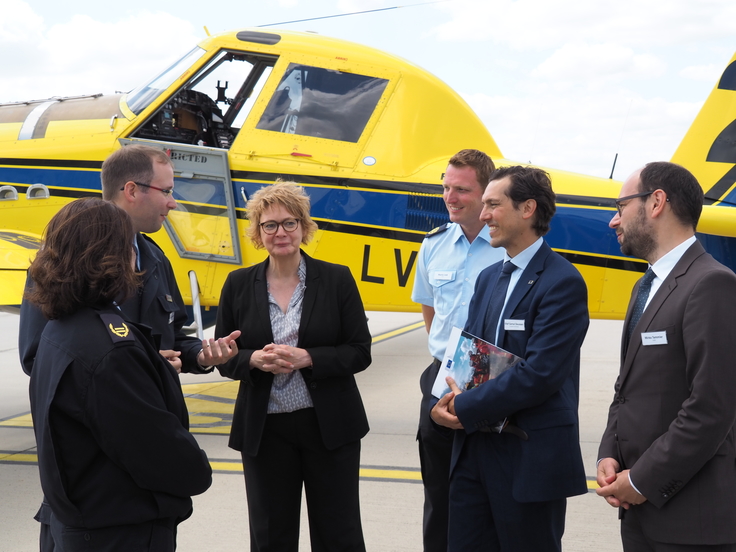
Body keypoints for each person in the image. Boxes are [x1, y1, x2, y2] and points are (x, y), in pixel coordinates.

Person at [18, 144, 239, 551]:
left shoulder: (154, 258)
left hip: (93, 502)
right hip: (110, 505)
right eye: (167, 191)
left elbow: (171, 335)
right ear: (133, 190)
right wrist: (138, 365)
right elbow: (44, 360)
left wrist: (196, 356)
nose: (173, 203)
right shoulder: (97, 341)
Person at [431, 165, 589, 551]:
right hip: (474, 455)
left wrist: (464, 406)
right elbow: (469, 356)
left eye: (493, 204)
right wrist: (443, 402)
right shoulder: (489, 278)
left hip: (528, 458)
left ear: (527, 209)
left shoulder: (562, 282)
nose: (483, 215)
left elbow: (541, 374)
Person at [214, 181, 372, 552]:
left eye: (289, 223)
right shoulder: (237, 284)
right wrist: (251, 359)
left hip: (329, 426)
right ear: (257, 232)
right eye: (270, 225)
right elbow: (225, 356)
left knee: (339, 533)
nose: (280, 232)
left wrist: (310, 358)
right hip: (266, 429)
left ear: (304, 227)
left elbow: (360, 351)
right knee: (271, 536)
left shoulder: (336, 279)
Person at [596, 162, 736, 551]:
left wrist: (641, 480)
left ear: (656, 202)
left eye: (620, 205)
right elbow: (627, 388)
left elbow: (711, 408)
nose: (613, 220)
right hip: (641, 513)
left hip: (690, 523)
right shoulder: (645, 287)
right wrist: (610, 452)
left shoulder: (711, 283)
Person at [411, 148, 503, 552]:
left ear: (486, 194)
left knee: (490, 495)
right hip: (440, 377)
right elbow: (431, 312)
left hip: (492, 379)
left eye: (461, 190)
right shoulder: (433, 245)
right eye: (446, 188)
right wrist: (448, 363)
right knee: (439, 496)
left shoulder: (507, 246)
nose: (450, 197)